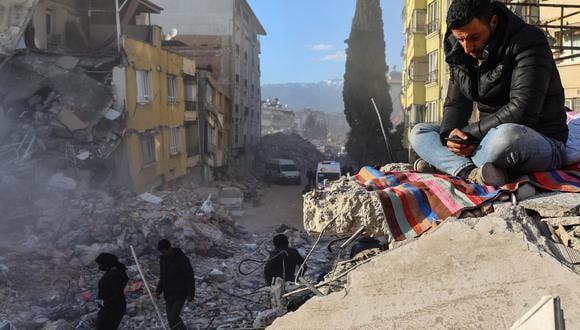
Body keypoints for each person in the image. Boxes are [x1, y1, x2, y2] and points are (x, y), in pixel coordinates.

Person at [409, 0, 568, 185]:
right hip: (482, 138)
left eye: (474, 37)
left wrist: (470, 136)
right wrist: (450, 138)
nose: (467, 47)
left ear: (493, 22)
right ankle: (470, 172)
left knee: (504, 139)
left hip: (537, 139)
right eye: (461, 39)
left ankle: (446, 164)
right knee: (419, 132)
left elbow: (522, 109)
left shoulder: (528, 41)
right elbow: (456, 104)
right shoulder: (458, 48)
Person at [155, 239, 195, 330]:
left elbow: (189, 277)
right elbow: (162, 277)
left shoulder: (181, 259)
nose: (162, 254)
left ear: (169, 249)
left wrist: (190, 294)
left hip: (180, 293)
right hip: (168, 294)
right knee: (170, 319)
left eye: (164, 252)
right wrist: (158, 290)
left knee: (174, 317)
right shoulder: (163, 260)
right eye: (161, 252)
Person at [95, 253, 128, 330]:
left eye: (101, 264)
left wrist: (104, 303)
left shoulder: (115, 275)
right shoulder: (114, 273)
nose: (100, 267)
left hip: (113, 308)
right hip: (111, 307)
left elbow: (117, 293)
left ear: (107, 264)